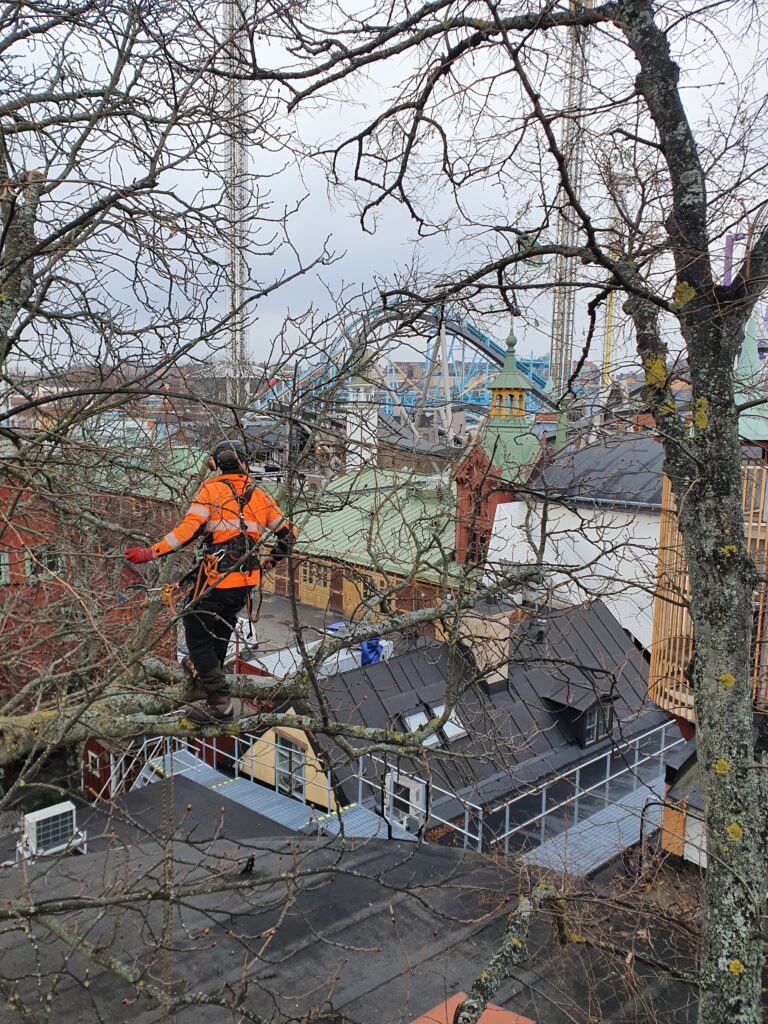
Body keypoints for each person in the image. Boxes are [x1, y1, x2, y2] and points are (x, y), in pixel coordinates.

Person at [124, 439, 295, 724]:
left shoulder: (210, 491)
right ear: (243, 462)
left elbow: (186, 533)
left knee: (195, 626)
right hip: (246, 578)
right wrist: (272, 560)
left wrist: (150, 552)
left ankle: (219, 700)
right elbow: (288, 536)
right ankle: (206, 671)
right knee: (220, 628)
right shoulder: (260, 495)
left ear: (214, 465)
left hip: (219, 575)